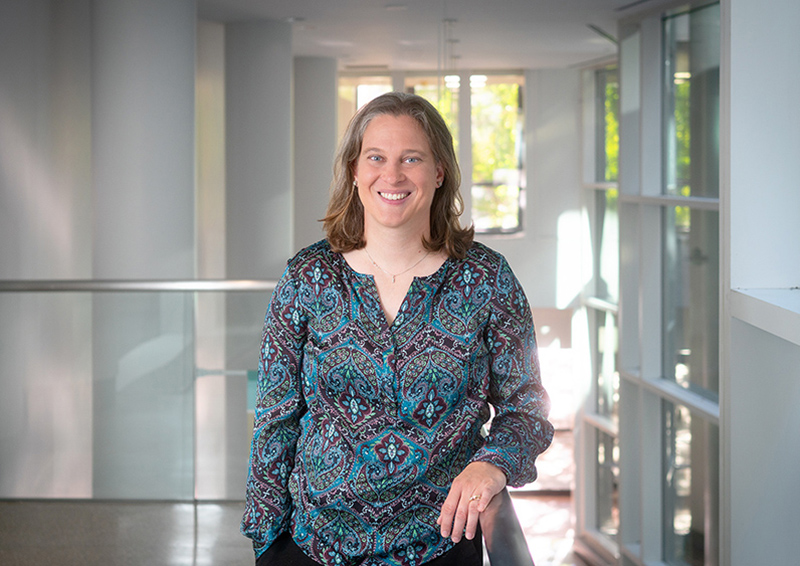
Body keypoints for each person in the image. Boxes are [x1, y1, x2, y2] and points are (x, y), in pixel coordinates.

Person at [241, 91, 553, 566]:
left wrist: (492, 464)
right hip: (312, 545)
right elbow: (274, 419)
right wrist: (267, 544)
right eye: (376, 158)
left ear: (439, 171)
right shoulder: (307, 277)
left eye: (412, 158)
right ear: (354, 171)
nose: (392, 175)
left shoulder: (486, 279)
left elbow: (527, 408)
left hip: (440, 545)